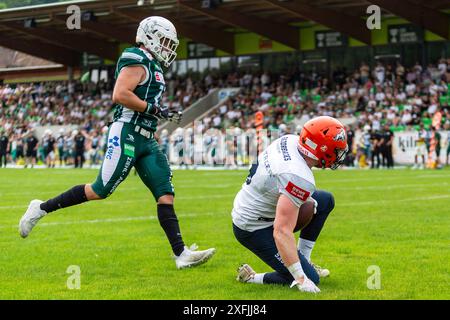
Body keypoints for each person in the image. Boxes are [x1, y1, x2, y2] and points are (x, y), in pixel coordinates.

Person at [19, 16, 215, 270]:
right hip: (126, 133)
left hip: (146, 138)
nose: (167, 48)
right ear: (150, 36)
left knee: (165, 194)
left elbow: (146, 104)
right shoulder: (137, 58)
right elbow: (120, 94)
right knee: (100, 190)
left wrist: (156, 114)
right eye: (164, 41)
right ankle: (41, 208)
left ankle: (181, 254)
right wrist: (154, 109)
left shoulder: (154, 66)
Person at [232, 116, 348, 293]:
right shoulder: (298, 175)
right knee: (310, 278)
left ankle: (304, 260)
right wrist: (301, 278)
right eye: (336, 150)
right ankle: (251, 278)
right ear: (323, 149)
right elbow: (281, 230)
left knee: (324, 200)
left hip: (257, 204)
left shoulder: (290, 140)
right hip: (253, 226)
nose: (339, 154)